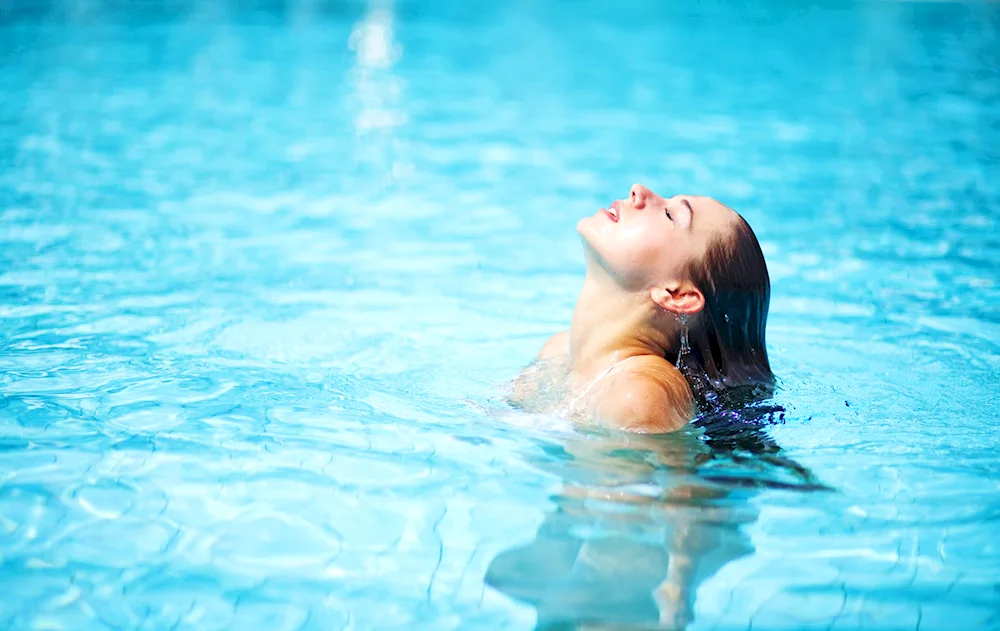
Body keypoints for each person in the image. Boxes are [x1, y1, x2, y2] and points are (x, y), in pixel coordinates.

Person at [506, 183, 773, 433]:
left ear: (678, 295)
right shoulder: (557, 351)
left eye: (670, 215)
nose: (639, 190)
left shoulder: (640, 396)